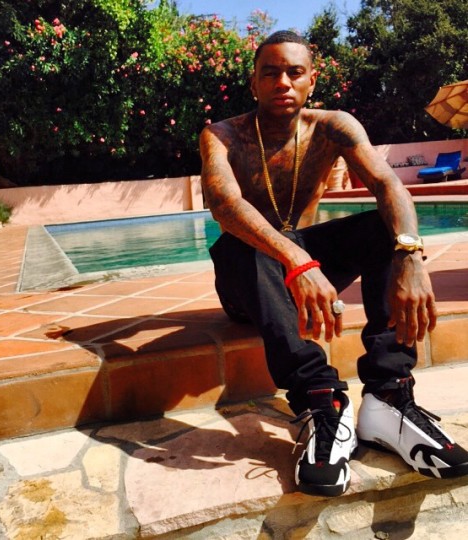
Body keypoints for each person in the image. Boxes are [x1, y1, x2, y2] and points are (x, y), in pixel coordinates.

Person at [199, 30, 468, 497]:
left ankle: (388, 395)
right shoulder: (222, 135)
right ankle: (322, 402)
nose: (283, 82)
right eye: (270, 73)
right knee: (238, 244)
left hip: (306, 267)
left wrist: (410, 255)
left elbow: (387, 184)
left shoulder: (332, 127)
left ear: (312, 80)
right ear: (254, 83)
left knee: (384, 229)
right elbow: (226, 205)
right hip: (250, 281)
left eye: (294, 72)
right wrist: (297, 260)